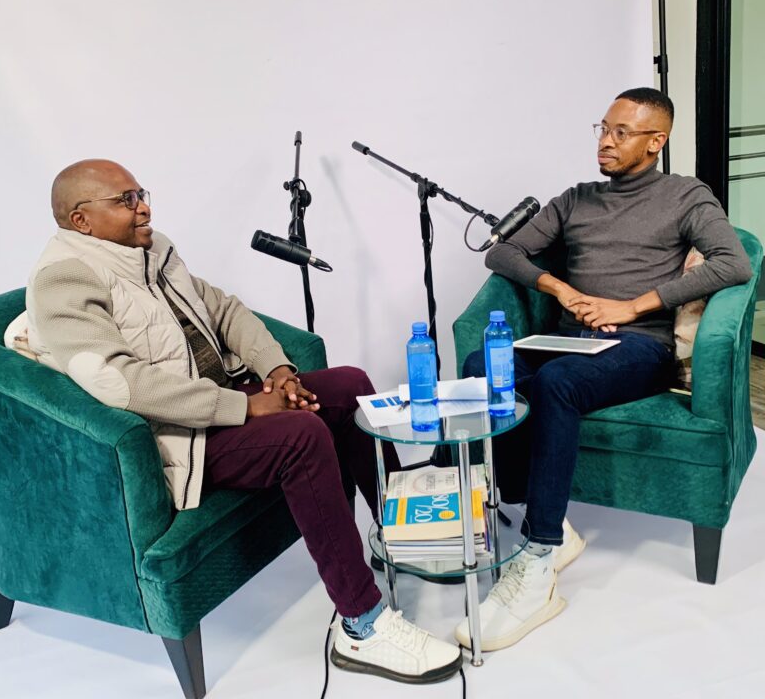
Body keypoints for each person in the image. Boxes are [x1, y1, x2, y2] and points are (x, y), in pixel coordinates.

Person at [25, 159, 462, 684]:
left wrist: (277, 371)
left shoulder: (151, 250)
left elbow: (225, 310)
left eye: (141, 193)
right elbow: (116, 381)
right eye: (126, 200)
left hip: (223, 399)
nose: (144, 208)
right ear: (81, 220)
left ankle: (399, 536)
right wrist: (245, 407)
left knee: (349, 385)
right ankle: (362, 626)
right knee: (301, 436)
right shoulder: (64, 279)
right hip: (176, 437)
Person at [456, 88, 752, 651]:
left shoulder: (686, 196)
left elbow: (733, 262)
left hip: (638, 346)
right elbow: (502, 252)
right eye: (603, 129)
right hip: (569, 337)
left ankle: (539, 556)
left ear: (656, 141)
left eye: (621, 133)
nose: (606, 142)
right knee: (481, 366)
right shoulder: (576, 199)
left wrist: (634, 306)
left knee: (557, 385)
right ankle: (536, 511)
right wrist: (561, 290)